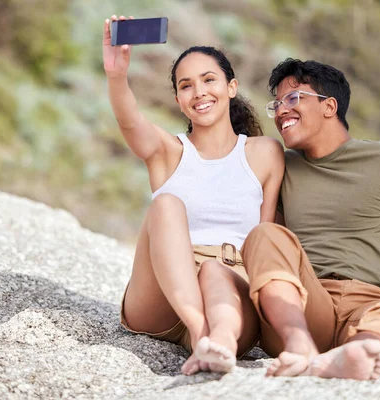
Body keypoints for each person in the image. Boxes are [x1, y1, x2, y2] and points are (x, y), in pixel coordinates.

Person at [240, 58, 380, 380]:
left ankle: (357, 353)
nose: (281, 111)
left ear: (329, 106)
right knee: (264, 235)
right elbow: (268, 248)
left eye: (293, 98)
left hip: (377, 304)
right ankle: (300, 345)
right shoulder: (280, 165)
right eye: (276, 104)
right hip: (306, 304)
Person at [103, 15, 284, 375]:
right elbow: (130, 122)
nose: (199, 91)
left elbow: (266, 237)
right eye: (186, 86)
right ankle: (202, 333)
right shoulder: (167, 151)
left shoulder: (265, 153)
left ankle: (219, 344)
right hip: (161, 298)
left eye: (208, 80)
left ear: (231, 87)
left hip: (232, 280)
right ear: (178, 100)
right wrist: (116, 75)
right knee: (167, 203)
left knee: (217, 273)